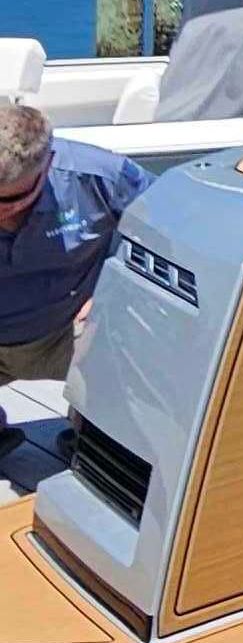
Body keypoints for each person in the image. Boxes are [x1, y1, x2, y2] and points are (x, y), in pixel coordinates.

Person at [0, 102, 151, 460]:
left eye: (11, 199)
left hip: (71, 330)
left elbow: (177, 230)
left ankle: (97, 441)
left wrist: (118, 286)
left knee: (145, 332)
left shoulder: (102, 177)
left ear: (48, 165)